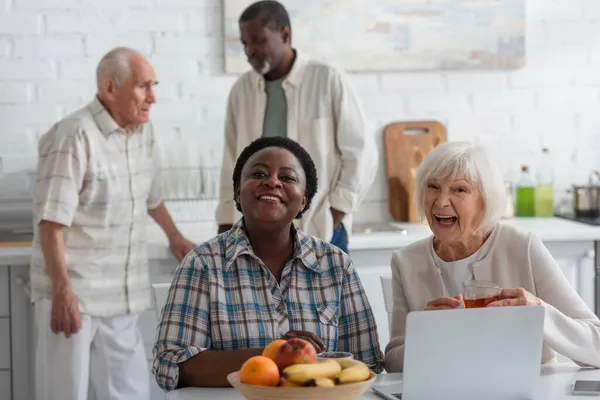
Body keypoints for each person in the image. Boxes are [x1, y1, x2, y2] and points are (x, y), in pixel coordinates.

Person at [30, 46, 196, 400]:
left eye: (154, 86)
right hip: (75, 294)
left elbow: (151, 197)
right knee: (64, 394)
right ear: (110, 88)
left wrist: (175, 236)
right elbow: (50, 220)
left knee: (130, 393)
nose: (153, 97)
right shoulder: (73, 136)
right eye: (143, 86)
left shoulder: (142, 133)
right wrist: (62, 290)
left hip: (121, 295)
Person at [153, 136, 383, 391]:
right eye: (259, 173)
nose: (272, 181)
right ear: (238, 193)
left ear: (303, 201)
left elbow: (366, 365)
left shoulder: (336, 265)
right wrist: (272, 355)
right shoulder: (201, 265)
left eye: (287, 178)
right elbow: (171, 365)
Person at [384, 141, 600, 373]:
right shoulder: (406, 261)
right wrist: (427, 334)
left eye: (459, 189)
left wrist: (539, 312)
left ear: (485, 200)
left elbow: (595, 345)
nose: (441, 201)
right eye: (433, 186)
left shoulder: (522, 247)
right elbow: (394, 362)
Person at [216, 0, 378, 253]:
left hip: (322, 229)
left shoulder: (326, 79)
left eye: (258, 40)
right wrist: (226, 220)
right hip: (258, 235)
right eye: (245, 44)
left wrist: (337, 210)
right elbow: (231, 161)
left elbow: (361, 152)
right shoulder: (241, 91)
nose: (250, 52)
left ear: (285, 34)